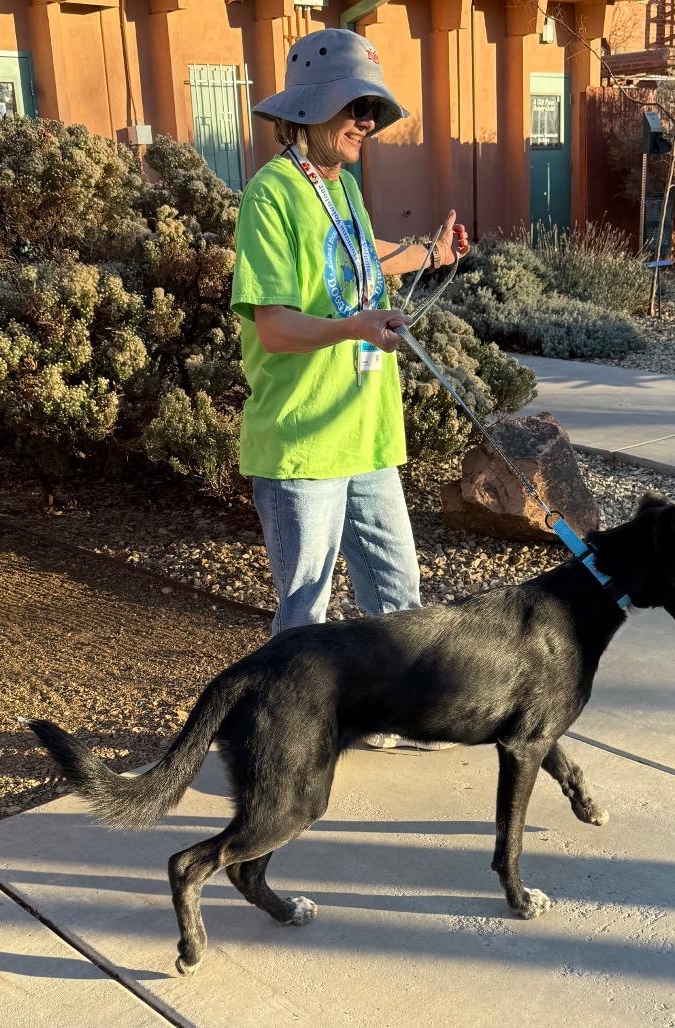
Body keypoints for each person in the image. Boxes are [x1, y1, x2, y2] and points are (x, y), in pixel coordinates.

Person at [230, 28, 469, 750]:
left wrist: (429, 252)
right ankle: (286, 743)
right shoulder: (272, 197)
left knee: (397, 595)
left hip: (366, 433)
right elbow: (273, 326)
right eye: (353, 108)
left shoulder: (343, 189)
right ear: (307, 112)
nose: (367, 122)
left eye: (373, 108)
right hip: (304, 441)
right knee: (304, 613)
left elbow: (365, 267)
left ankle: (391, 713)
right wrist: (356, 330)